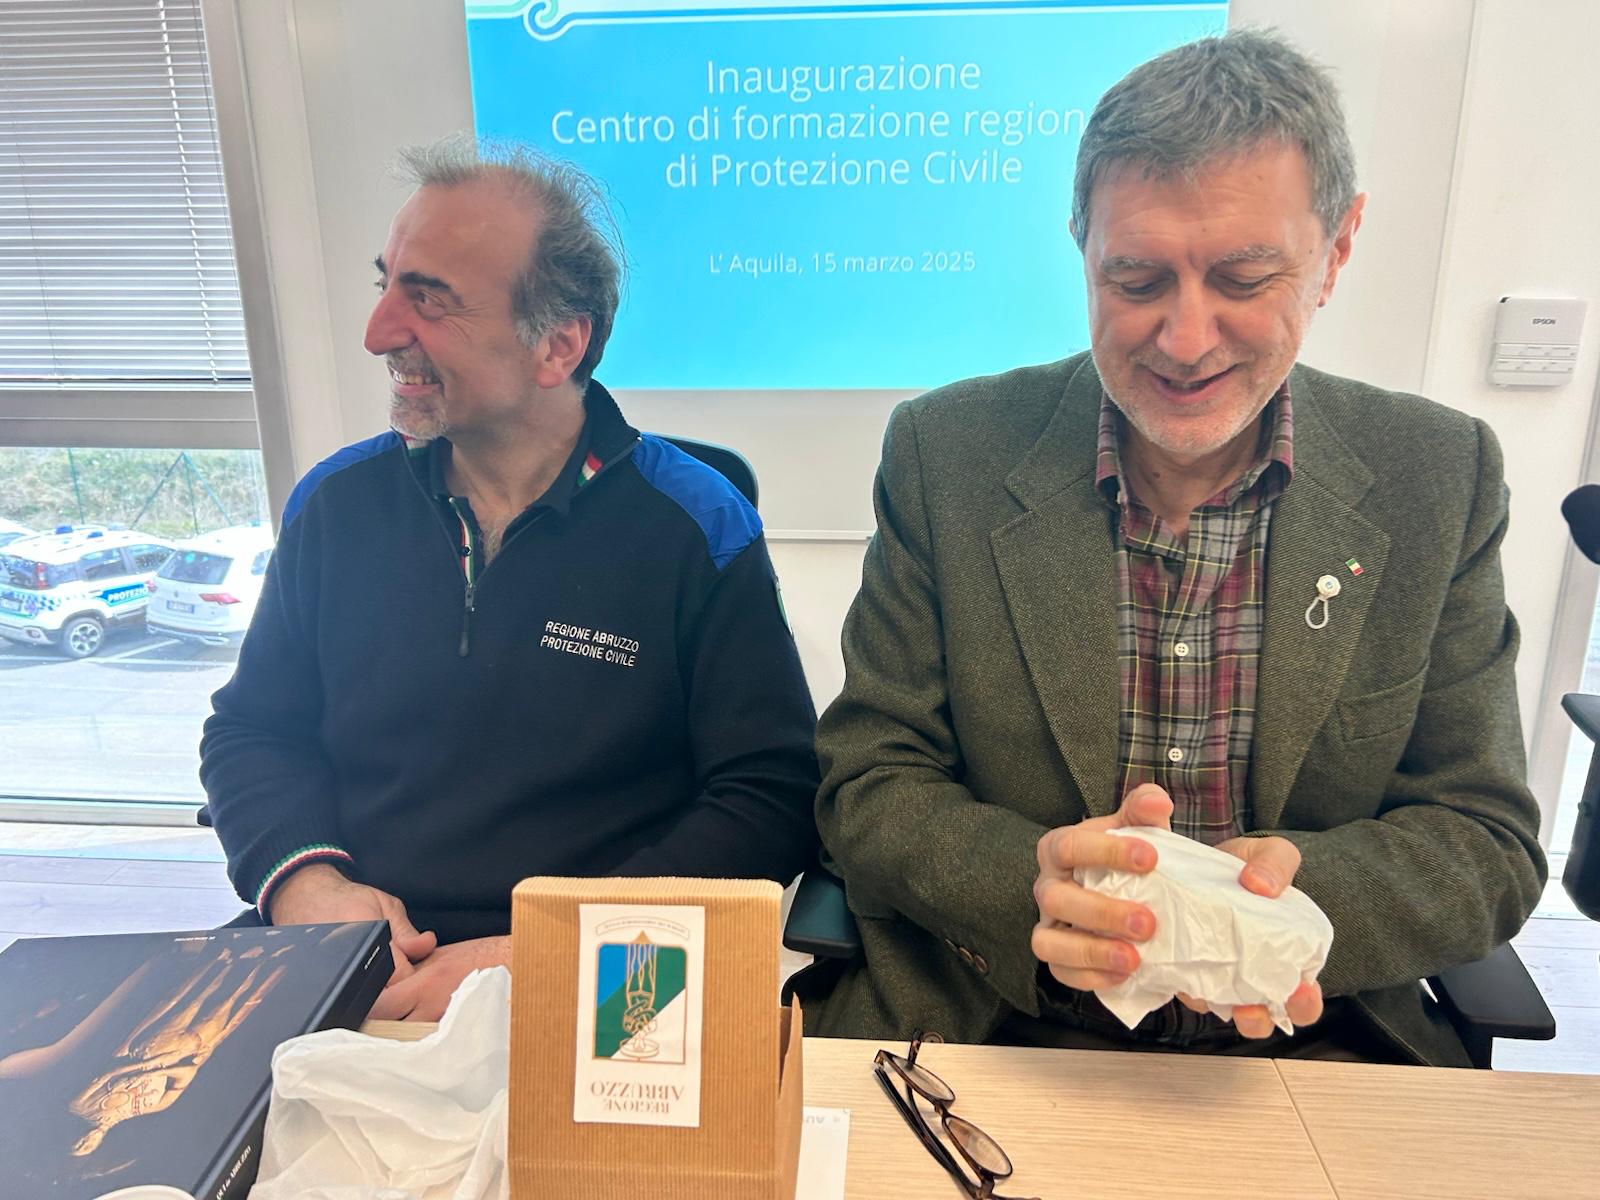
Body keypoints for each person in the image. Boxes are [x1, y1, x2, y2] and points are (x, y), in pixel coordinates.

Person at [799, 31, 1544, 1066]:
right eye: (1137, 278)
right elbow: (867, 780)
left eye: (1244, 277)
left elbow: (1485, 837)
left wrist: (1280, 914)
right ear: (1082, 247)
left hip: (1312, 1035)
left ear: (1335, 251)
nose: (1186, 341)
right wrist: (1036, 886)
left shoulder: (1436, 475)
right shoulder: (948, 454)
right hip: (999, 1021)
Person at [201, 137, 820, 1020]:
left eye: (430, 299)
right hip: (359, 954)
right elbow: (253, 731)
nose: (378, 333)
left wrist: (562, 946)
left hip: (608, 961)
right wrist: (307, 884)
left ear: (558, 345)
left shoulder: (698, 526)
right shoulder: (335, 505)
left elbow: (768, 797)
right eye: (386, 284)